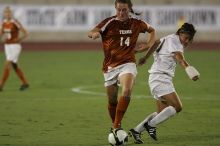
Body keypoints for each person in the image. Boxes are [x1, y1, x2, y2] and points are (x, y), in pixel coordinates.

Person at [88, 0, 156, 134]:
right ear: (115, 9)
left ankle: (116, 126)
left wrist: (148, 45)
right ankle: (116, 127)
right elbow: (92, 31)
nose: (121, 12)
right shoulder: (109, 22)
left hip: (128, 63)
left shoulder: (136, 23)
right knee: (112, 100)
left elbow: (152, 30)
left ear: (129, 9)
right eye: (118, 9)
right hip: (110, 67)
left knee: (126, 91)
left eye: (124, 10)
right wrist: (94, 34)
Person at [129, 23, 200, 144]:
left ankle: (136, 130)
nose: (187, 41)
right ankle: (150, 125)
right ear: (180, 33)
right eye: (185, 37)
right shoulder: (175, 41)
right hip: (160, 78)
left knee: (162, 112)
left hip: (158, 78)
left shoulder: (168, 38)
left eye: (189, 39)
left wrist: (145, 57)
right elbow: (180, 58)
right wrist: (190, 71)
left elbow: (156, 43)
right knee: (178, 107)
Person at [0, 6, 29, 91]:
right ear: (4, 14)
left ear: (11, 13)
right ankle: (25, 83)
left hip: (15, 46)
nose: (7, 14)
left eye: (9, 12)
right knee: (14, 65)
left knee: (7, 63)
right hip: (7, 46)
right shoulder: (3, 23)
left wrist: (19, 39)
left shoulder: (15, 22)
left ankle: (1, 85)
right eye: (6, 12)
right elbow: (1, 33)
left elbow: (26, 33)